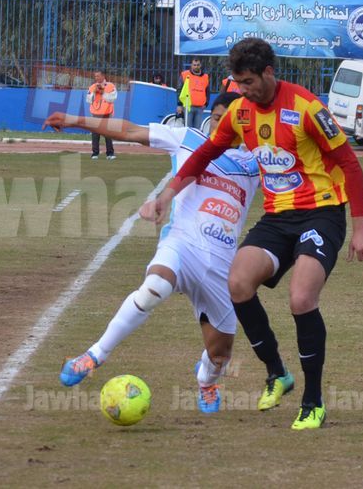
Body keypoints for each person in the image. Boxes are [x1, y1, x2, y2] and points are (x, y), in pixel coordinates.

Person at [147, 37, 363, 430]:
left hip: (321, 213)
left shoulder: (306, 107)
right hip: (277, 217)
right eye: (238, 83)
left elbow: (350, 164)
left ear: (269, 72)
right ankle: (277, 373)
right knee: (237, 283)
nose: (243, 90)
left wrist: (361, 228)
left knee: (301, 298)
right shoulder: (240, 112)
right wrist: (168, 193)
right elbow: (205, 154)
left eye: (249, 82)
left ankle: (313, 401)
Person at [45, 92, 258, 413]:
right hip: (181, 245)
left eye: (231, 121)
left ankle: (206, 381)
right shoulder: (187, 138)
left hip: (220, 266)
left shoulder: (253, 164)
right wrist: (75, 120)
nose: (221, 125)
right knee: (154, 287)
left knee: (220, 355)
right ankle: (93, 356)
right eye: (217, 118)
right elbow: (129, 130)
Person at [86, 70, 118, 160]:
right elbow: (88, 100)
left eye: (98, 76)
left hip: (107, 114)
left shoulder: (110, 86)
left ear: (103, 76)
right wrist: (94, 92)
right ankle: (95, 153)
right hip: (95, 114)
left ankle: (110, 154)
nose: (96, 78)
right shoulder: (92, 87)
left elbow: (113, 98)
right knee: (95, 135)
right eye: (95, 76)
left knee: (108, 134)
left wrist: (103, 92)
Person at [177, 57, 210, 129]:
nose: (196, 66)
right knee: (188, 129)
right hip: (188, 106)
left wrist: (206, 103)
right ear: (191, 65)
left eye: (198, 65)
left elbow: (207, 91)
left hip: (200, 108)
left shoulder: (205, 77)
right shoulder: (185, 74)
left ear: (200, 65)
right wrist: (179, 105)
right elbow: (179, 90)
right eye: (194, 65)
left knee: (197, 130)